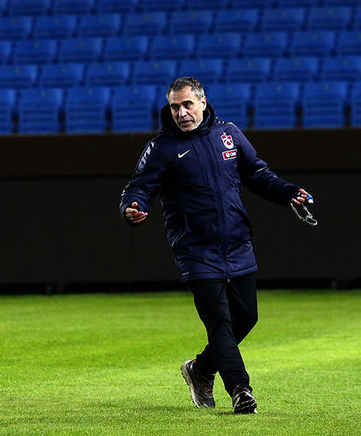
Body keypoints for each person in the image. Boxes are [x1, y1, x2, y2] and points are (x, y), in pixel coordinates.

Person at [119, 77, 313, 414]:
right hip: (195, 250)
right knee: (220, 322)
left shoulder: (229, 134)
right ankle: (240, 390)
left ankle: (200, 369)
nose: (181, 113)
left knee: (246, 318)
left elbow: (257, 174)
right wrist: (132, 208)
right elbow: (138, 188)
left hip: (236, 243)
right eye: (175, 107)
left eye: (187, 105)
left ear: (203, 103)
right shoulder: (161, 148)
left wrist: (287, 192)